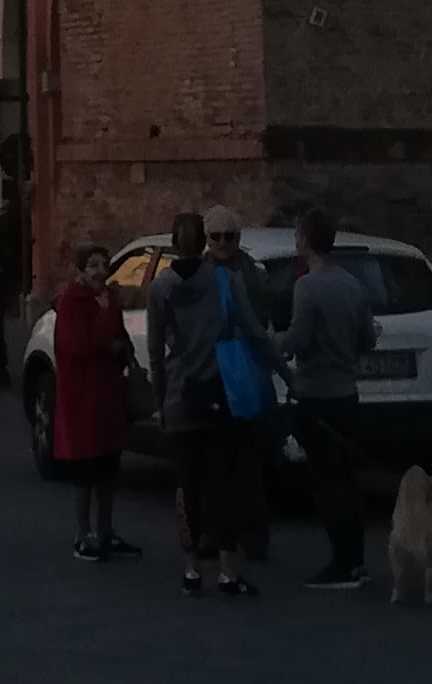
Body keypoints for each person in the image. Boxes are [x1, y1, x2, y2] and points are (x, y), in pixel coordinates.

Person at [147, 208, 275, 597]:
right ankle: (227, 571)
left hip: (179, 398)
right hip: (219, 394)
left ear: (172, 243)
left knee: (186, 487)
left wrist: (160, 404)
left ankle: (190, 569)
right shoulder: (226, 280)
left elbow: (155, 354)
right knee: (222, 484)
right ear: (204, 241)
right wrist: (286, 374)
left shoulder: (160, 289)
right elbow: (255, 332)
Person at [283, 207, 374, 592]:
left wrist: (272, 342)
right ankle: (356, 560)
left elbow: (298, 340)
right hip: (347, 394)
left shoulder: (307, 287)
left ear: (305, 240)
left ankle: (342, 562)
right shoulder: (353, 285)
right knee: (348, 482)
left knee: (327, 484)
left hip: (317, 395)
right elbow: (367, 339)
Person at [48, 243, 139, 565]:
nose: (101, 271)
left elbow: (118, 335)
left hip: (106, 393)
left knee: (108, 470)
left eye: (104, 264)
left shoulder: (108, 300)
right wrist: (105, 324)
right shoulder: (73, 302)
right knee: (85, 471)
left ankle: (105, 531)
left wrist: (124, 351)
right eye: (94, 265)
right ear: (82, 270)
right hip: (82, 398)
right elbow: (83, 345)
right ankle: (82, 534)